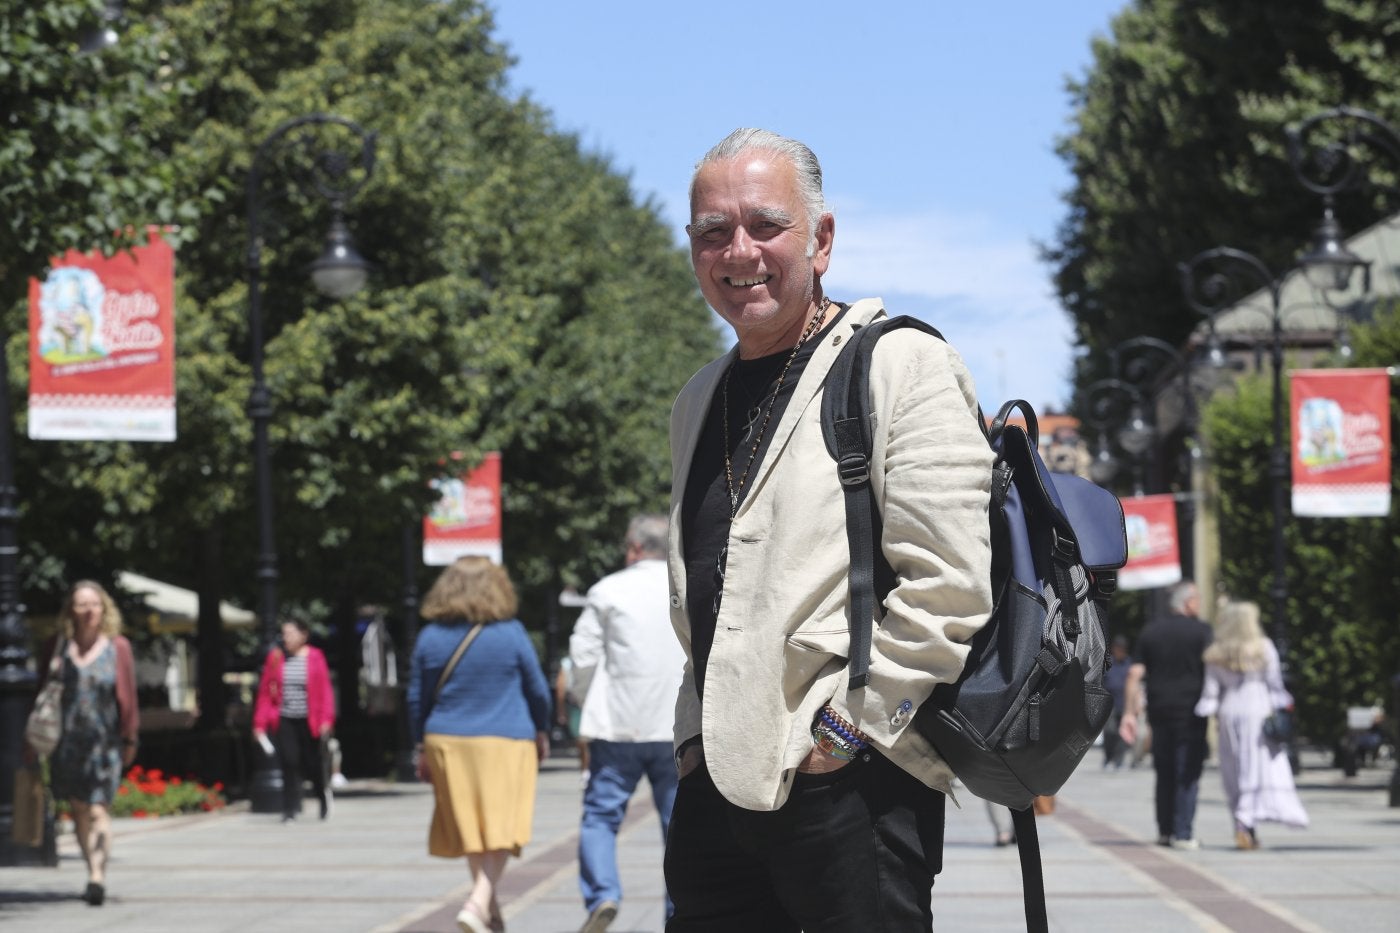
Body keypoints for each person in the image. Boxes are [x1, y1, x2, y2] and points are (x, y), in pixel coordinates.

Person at [664, 128, 994, 932]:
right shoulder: (696, 398)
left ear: (822, 238)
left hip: (849, 783)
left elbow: (950, 581)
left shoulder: (897, 364)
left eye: (765, 224)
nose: (738, 250)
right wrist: (691, 747)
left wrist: (843, 737)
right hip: (718, 783)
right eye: (714, 231)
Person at [407, 556, 551, 933]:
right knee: (502, 826)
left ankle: (489, 911)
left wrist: (419, 745)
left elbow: (416, 698)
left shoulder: (430, 636)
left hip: (447, 740)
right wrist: (543, 729)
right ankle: (478, 901)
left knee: (474, 826)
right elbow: (537, 689)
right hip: (505, 739)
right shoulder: (511, 632)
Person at [568, 514, 686, 933]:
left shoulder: (607, 590)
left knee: (600, 815)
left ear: (634, 548)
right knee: (678, 826)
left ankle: (603, 894)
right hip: (676, 726)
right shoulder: (685, 583)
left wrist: (587, 701)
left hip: (618, 724)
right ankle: (678, 911)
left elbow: (581, 656)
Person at [29, 580, 138, 907]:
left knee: (98, 808)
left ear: (104, 608)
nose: (90, 611)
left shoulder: (117, 647)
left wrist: (131, 736)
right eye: (82, 605)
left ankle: (97, 876)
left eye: (95, 604)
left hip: (104, 743)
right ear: (71, 611)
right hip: (67, 743)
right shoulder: (57, 646)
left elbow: (129, 697)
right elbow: (41, 694)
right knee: (78, 810)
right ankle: (91, 866)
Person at [1194, 600, 1308, 849]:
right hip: (1258, 711)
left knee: (1234, 769)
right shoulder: (1263, 648)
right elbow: (1275, 685)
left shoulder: (1217, 651)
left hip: (1229, 712)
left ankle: (1243, 824)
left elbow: (1210, 693)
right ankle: (1246, 823)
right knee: (1254, 769)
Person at [1119, 580, 1213, 848]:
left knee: (1164, 771)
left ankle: (1164, 831)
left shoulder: (1152, 631)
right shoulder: (1202, 632)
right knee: (1188, 771)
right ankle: (1183, 833)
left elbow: (1134, 674)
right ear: (1188, 602)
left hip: (1159, 711)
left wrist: (1129, 712)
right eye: (1197, 599)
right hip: (1192, 711)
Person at [253, 617, 336, 823]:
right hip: (285, 718)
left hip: (310, 719)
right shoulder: (276, 658)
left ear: (304, 635)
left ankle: (321, 797)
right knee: (289, 762)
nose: (285, 638)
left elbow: (325, 691)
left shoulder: (316, 657)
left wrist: (327, 719)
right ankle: (290, 808)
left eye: (290, 633)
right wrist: (259, 724)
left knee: (312, 763)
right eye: (284, 633)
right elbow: (265, 693)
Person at [1103, 635, 1133, 769]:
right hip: (1110, 702)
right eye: (1117, 648)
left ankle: (1118, 760)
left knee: (1123, 734)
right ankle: (1108, 757)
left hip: (1125, 703)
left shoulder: (1129, 664)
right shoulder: (1109, 662)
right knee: (1110, 731)